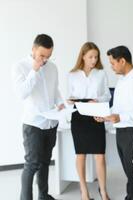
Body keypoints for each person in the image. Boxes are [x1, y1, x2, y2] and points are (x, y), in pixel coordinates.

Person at [12, 34, 65, 200]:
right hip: (33, 124)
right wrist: (34, 71)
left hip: (50, 123)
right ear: (33, 49)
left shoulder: (52, 68)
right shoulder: (19, 67)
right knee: (32, 164)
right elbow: (22, 93)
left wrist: (60, 103)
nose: (44, 60)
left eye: (48, 56)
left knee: (45, 163)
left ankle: (43, 196)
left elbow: (55, 90)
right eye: (42, 56)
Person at [101, 45, 133, 200]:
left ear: (122, 61)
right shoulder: (121, 81)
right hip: (121, 132)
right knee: (128, 171)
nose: (111, 67)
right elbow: (117, 108)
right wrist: (105, 115)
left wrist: (121, 117)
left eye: (113, 63)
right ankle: (131, 197)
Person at [67, 42, 111, 200]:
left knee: (100, 155)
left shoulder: (101, 73)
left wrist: (96, 100)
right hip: (79, 116)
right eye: (91, 56)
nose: (94, 59)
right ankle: (84, 192)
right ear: (83, 56)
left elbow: (107, 95)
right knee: (81, 155)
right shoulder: (72, 74)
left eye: (96, 56)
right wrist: (70, 101)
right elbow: (70, 96)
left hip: (95, 114)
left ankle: (104, 191)